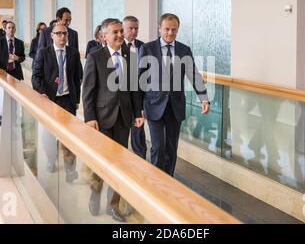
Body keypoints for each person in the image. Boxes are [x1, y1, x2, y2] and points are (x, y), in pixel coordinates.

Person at [82, 18, 143, 222]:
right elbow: (88, 91)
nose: (119, 35)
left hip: (124, 119)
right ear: (104, 35)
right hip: (101, 118)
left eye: (120, 32)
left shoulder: (130, 56)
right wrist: (89, 117)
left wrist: (137, 113)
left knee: (120, 164)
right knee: (101, 162)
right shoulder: (95, 56)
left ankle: (113, 204)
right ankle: (94, 194)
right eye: (114, 32)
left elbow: (134, 89)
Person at [138, 13, 210, 176]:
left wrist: (204, 98)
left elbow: (193, 74)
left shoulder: (184, 50)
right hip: (153, 105)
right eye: (166, 29)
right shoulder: (147, 48)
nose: (170, 33)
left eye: (174, 30)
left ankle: (168, 182)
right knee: (158, 146)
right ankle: (156, 183)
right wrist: (138, 108)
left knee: (171, 148)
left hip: (175, 106)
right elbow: (139, 80)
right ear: (159, 28)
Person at [32, 24, 83, 183]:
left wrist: (76, 100)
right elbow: (36, 77)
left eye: (65, 33)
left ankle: (70, 170)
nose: (62, 36)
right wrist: (43, 93)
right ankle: (50, 159)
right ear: (51, 36)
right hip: (50, 100)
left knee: (69, 136)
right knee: (48, 135)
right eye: (58, 33)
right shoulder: (43, 53)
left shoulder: (73, 53)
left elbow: (77, 78)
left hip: (67, 100)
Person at [121, 16, 147, 160]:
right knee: (121, 135)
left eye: (136, 28)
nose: (134, 31)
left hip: (139, 97)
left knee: (138, 133)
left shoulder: (144, 47)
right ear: (123, 29)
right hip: (122, 97)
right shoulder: (117, 47)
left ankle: (140, 162)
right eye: (130, 28)